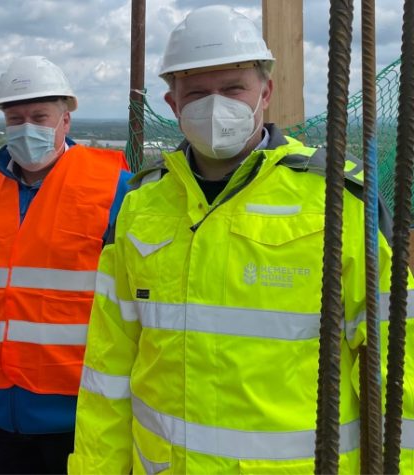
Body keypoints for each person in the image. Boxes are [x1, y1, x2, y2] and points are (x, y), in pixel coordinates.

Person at [69, 5, 414, 474]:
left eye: (233, 88)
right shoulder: (141, 206)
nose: (216, 105)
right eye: (197, 93)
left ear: (265, 93)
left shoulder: (335, 201)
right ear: (172, 105)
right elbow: (109, 369)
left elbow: (402, 369)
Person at [0, 55, 133, 474]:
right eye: (15, 118)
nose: (26, 127)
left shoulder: (115, 188)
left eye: (39, 116)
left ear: (65, 120)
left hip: (82, 420)